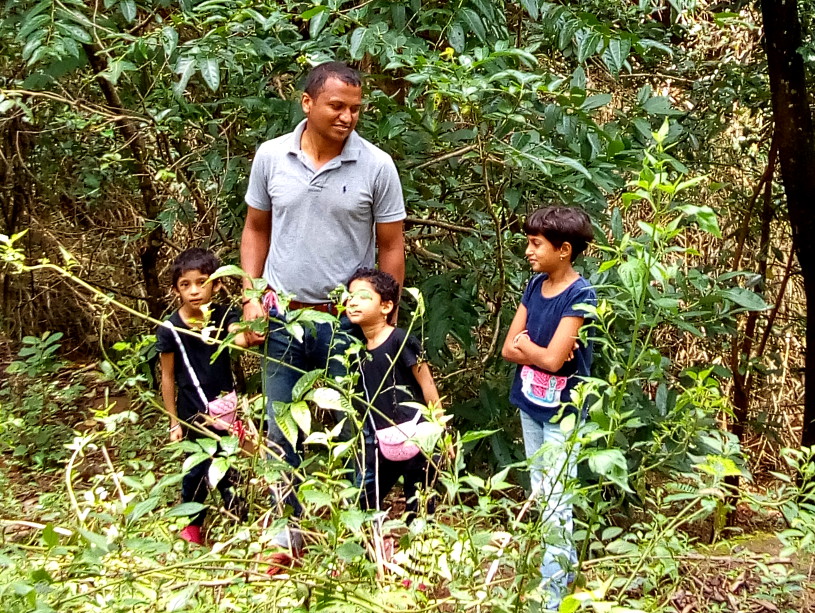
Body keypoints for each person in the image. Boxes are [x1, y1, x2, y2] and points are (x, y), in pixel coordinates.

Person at [240, 60, 406, 564]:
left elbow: (392, 245)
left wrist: (386, 314)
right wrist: (252, 296)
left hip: (346, 321)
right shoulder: (271, 156)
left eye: (356, 108)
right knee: (278, 426)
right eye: (337, 106)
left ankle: (362, 532)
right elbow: (255, 228)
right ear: (308, 103)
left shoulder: (377, 166)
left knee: (356, 425)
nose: (348, 117)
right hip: (282, 316)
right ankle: (287, 533)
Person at [501, 206, 596, 610]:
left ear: (565, 250)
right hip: (530, 403)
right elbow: (508, 348)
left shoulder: (581, 294)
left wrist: (533, 350)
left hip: (564, 412)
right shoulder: (534, 286)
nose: (528, 251)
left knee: (558, 503)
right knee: (543, 495)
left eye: (536, 243)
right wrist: (536, 353)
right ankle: (562, 578)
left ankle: (551, 599)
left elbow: (556, 361)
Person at [156, 248, 249, 546]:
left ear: (217, 284)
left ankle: (240, 518)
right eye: (186, 285)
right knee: (196, 468)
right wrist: (174, 422)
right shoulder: (170, 328)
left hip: (225, 408)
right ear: (176, 290)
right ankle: (193, 527)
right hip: (192, 412)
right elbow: (167, 377)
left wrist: (250, 328)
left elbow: (239, 337)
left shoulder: (225, 316)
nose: (194, 291)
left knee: (227, 465)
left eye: (202, 282)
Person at [345, 268, 441, 521]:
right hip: (382, 439)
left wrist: (439, 428)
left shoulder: (401, 339)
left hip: (417, 435)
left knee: (419, 507)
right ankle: (376, 551)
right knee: (367, 503)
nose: (352, 302)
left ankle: (420, 555)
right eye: (350, 296)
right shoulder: (354, 348)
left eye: (364, 297)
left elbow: (427, 383)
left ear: (386, 306)